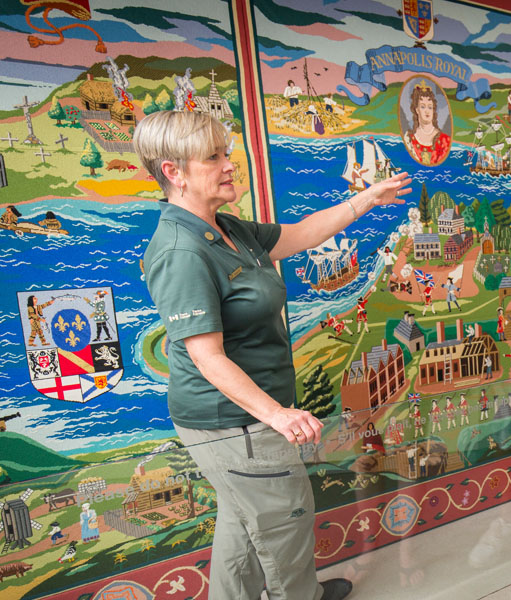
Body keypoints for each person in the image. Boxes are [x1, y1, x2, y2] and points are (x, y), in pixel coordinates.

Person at [135, 110, 411, 600]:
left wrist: (365, 200)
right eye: (213, 157)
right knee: (285, 520)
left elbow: (299, 235)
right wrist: (277, 415)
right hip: (234, 422)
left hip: (247, 416)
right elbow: (206, 357)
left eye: (226, 153)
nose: (229, 164)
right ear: (174, 172)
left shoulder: (225, 229)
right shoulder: (181, 251)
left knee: (242, 526)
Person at [404, 81, 451, 166]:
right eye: (423, 107)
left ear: (433, 110)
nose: (427, 111)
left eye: (430, 107)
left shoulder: (444, 140)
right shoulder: (409, 138)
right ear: (417, 110)